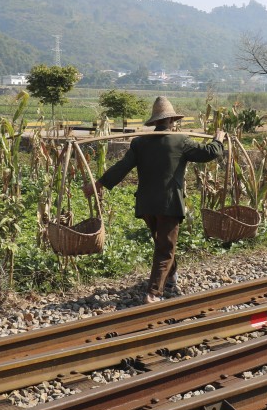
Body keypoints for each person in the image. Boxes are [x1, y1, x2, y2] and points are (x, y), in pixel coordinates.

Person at [85, 96, 226, 304]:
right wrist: (218, 139)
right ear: (171, 121)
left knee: (162, 244)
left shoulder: (140, 143)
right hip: (169, 204)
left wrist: (98, 184)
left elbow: (121, 168)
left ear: (155, 122)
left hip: (147, 205)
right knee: (165, 248)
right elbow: (208, 153)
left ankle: (170, 278)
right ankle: (154, 293)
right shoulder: (181, 141)